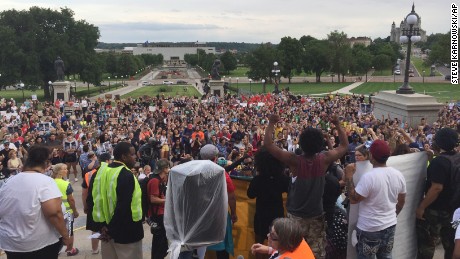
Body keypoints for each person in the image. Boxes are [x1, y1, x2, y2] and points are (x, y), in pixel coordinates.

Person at [263, 114, 348, 259]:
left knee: (291, 252)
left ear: (301, 143)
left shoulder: (294, 160)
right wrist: (338, 124)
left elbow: (269, 145)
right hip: (316, 216)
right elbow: (344, 146)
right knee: (316, 254)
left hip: (295, 217)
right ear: (319, 144)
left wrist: (271, 123)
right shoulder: (325, 159)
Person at [0, 146, 72, 258]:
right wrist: (66, 236)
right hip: (38, 244)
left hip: (11, 244)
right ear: (46, 163)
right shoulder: (45, 182)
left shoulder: (8, 182)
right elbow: (54, 213)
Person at [344, 140, 407, 259]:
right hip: (390, 225)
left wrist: (348, 176)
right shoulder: (398, 174)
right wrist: (392, 216)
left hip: (369, 228)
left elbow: (353, 199)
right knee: (386, 256)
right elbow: (402, 201)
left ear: (371, 156)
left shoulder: (369, 177)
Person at [89, 142, 144, 259]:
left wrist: (101, 227)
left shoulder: (101, 172)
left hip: (106, 231)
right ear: (124, 157)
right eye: (132, 154)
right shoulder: (126, 174)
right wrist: (110, 230)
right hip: (126, 233)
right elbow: (123, 206)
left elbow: (93, 200)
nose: (135, 157)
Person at [416, 127, 459, 259]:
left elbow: (437, 188)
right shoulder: (456, 158)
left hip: (436, 210)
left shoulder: (439, 162)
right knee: (450, 245)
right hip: (453, 209)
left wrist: (422, 207)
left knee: (427, 244)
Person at [247, 146, 289, 251]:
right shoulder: (283, 179)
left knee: (258, 244)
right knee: (277, 245)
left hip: (261, 215)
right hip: (277, 216)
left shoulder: (258, 180)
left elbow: (250, 194)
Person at [200, 144, 238, 259]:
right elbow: (231, 196)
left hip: (200, 214)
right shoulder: (222, 173)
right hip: (218, 214)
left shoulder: (196, 172)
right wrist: (234, 213)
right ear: (215, 158)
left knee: (199, 245)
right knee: (221, 246)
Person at [82, 152, 112, 255]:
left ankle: (95, 249)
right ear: (108, 161)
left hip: (93, 204)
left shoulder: (89, 174)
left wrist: (85, 206)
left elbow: (84, 192)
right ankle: (108, 250)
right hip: (106, 205)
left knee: (95, 229)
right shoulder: (111, 172)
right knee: (106, 228)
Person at [250, 218, 315, 259]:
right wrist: (269, 249)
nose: (268, 235)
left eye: (273, 236)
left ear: (284, 242)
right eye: (270, 231)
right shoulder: (298, 241)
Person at [51, 163, 80, 256]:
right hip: (67, 212)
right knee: (70, 231)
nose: (67, 171)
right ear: (59, 172)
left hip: (54, 211)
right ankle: (70, 249)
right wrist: (75, 211)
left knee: (55, 231)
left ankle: (56, 249)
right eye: (65, 169)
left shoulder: (50, 183)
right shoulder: (66, 184)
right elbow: (70, 200)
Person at [147, 158, 170, 259]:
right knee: (159, 243)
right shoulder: (155, 181)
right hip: (158, 215)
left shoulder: (159, 180)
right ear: (164, 169)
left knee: (162, 243)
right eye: (167, 167)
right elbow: (153, 199)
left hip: (161, 214)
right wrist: (168, 201)